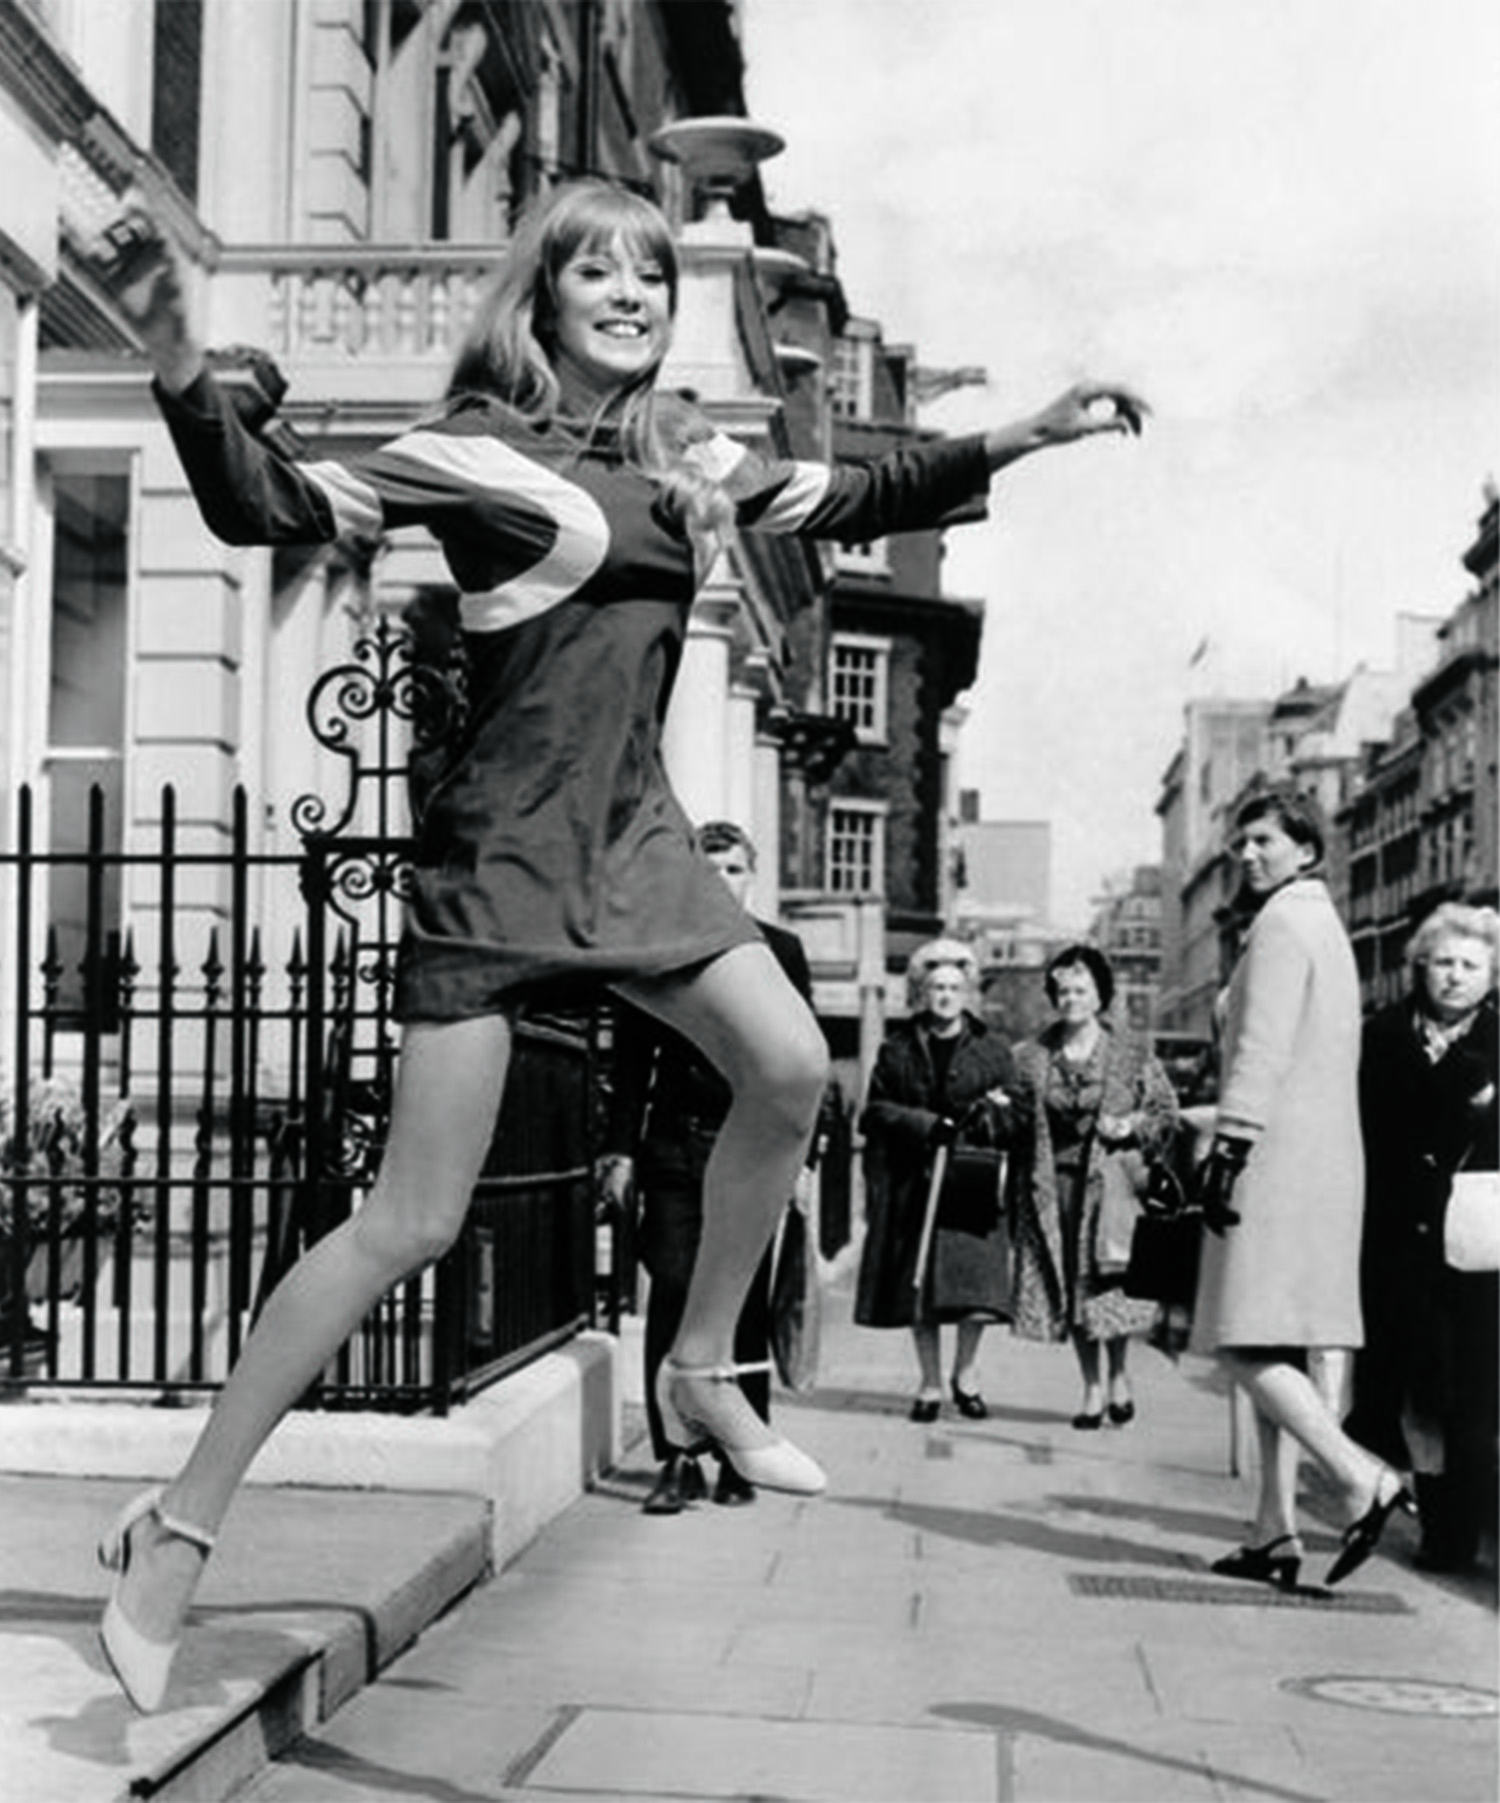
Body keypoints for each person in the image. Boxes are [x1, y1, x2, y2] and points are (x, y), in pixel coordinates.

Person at [89, 176, 1148, 1712]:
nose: (634, 293)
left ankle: (703, 1363)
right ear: (545, 295)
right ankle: (178, 1527)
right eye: (600, 270)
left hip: (637, 844)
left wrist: (1027, 433)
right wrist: (182, 350)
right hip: (503, 857)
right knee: (409, 1222)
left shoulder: (681, 454)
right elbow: (271, 505)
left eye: (650, 272)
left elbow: (854, 496)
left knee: (789, 1063)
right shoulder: (467, 444)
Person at [1191, 786, 1412, 1592]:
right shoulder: (1320, 921)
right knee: (1276, 1341)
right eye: (1241, 843)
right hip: (1318, 1157)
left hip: (1275, 1155)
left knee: (1244, 1339)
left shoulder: (1283, 924)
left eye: (1264, 842)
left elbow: (1262, 1043)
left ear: (1307, 849)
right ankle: (1273, 1529)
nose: (1247, 855)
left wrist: (1231, 1142)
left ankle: (1360, 1477)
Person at [598, 821, 821, 1513]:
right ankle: (676, 1459)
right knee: (671, 1289)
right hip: (674, 1144)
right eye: (711, 867)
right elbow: (632, 1061)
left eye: (734, 868)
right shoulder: (662, 947)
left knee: (742, 1298)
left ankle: (737, 1456)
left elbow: (798, 1066)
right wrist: (619, 1149)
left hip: (748, 1145)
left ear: (751, 876)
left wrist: (802, 1158)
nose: (722, 879)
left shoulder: (780, 950)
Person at [1347, 903, 1499, 1572]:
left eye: (1471, 965)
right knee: (1413, 1390)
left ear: (1492, 975)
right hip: (1396, 1240)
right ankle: (1434, 1521)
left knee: (1473, 1395)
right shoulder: (1379, 1036)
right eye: (1443, 962)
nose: (1455, 977)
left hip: (1480, 1245)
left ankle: (1457, 1531)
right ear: (1421, 967)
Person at [1007, 944, 1179, 1428]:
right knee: (1073, 1288)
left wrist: (1130, 1127)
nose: (1071, 999)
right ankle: (1091, 1387)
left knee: (1111, 1284)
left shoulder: (1130, 1052)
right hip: (1054, 1189)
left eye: (1081, 989)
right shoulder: (1029, 1056)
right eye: (1062, 990)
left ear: (1100, 995)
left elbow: (1167, 1113)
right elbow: (1017, 1121)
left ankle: (1121, 1374)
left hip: (1111, 1192)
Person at [855, 940, 1014, 1421]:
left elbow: (1019, 1114)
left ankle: (965, 1374)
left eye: (953, 987)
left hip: (972, 1184)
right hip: (915, 1185)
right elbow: (874, 1111)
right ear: (922, 993)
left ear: (967, 993)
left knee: (976, 1295)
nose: (945, 996)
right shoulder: (897, 1049)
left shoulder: (993, 1049)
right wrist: (924, 1124)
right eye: (935, 987)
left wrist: (989, 1113)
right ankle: (928, 1384)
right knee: (919, 1290)